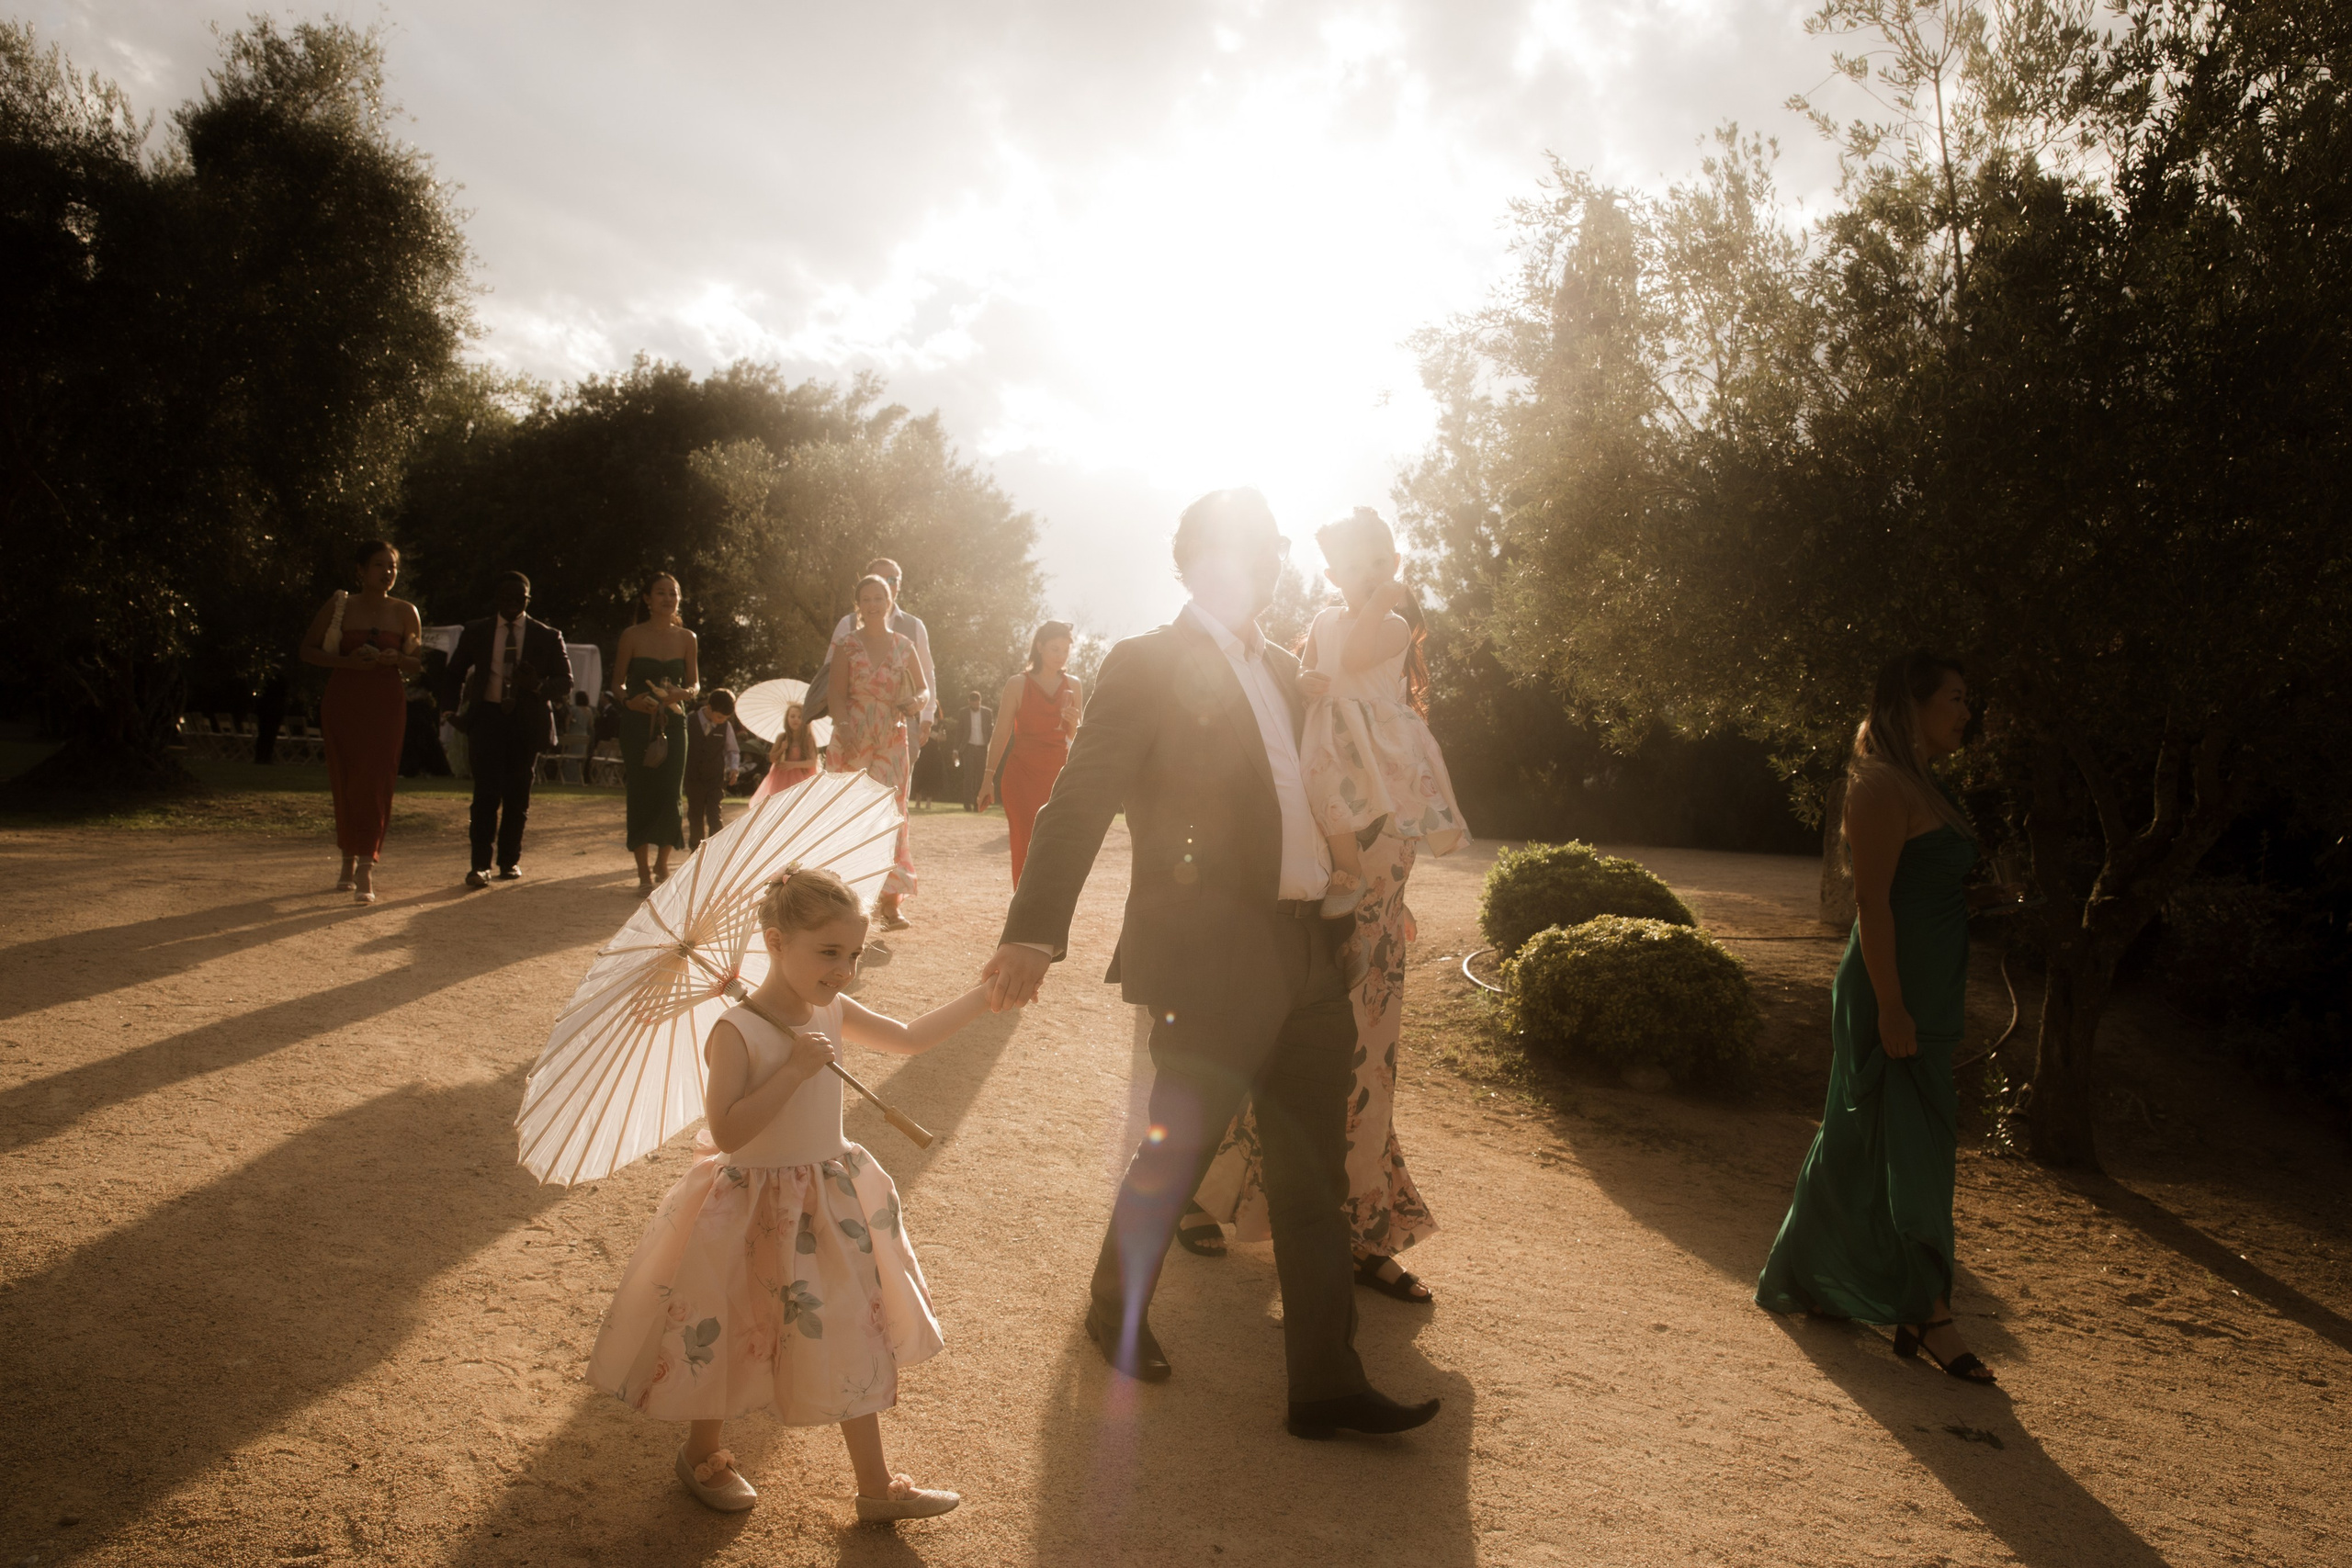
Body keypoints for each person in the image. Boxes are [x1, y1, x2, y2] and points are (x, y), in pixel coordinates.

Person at [978, 488, 1441, 1441]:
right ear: (1189, 565)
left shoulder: (1289, 670)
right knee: (1176, 1152)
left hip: (1310, 943)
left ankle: (1324, 1381)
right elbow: (1081, 797)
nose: (1259, 571)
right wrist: (1033, 928)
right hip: (1207, 952)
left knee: (1312, 1177)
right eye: (1237, 555)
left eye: (1269, 554)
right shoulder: (1145, 664)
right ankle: (1115, 1309)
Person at [586, 864, 988, 1520]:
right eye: (828, 952)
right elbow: (729, 1129)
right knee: (731, 1325)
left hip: (825, 1199)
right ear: (775, 942)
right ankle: (703, 1451)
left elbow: (910, 1038)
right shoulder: (735, 1032)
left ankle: (875, 1484)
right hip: (749, 1208)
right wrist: (797, 1069)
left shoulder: (828, 1007)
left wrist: (984, 997)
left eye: (853, 952)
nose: (844, 968)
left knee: (849, 1323)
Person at [1185, 508, 1466, 1303]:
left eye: (1380, 556)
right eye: (1352, 560)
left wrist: (1378, 600)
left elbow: (1349, 656)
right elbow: (1324, 672)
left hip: (1376, 900)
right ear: (1331, 569)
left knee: (1365, 1059)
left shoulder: (1389, 623)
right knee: (1283, 1044)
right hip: (1318, 878)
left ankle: (1360, 1230)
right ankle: (1213, 1195)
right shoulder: (1319, 635)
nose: (1370, 569)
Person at [1756, 651, 2018, 1383]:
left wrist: (1975, 902)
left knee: (1859, 1134)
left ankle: (1816, 1273)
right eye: (1957, 698)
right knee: (1920, 1144)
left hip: (1930, 986)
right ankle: (1929, 1309)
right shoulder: (1875, 785)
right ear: (1912, 703)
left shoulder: (1921, 783)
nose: (1968, 712)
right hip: (1889, 989)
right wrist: (1893, 1003)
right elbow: (1870, 902)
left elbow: (1916, 889)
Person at [300, 540, 423, 905]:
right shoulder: (340, 606)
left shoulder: (406, 612)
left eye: (393, 566)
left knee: (377, 778)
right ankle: (346, 857)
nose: (387, 572)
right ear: (360, 570)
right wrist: (348, 663)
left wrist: (397, 657)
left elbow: (417, 662)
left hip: (385, 703)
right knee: (347, 776)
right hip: (344, 699)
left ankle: (367, 864)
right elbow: (307, 651)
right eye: (379, 565)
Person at [442, 571, 572, 892]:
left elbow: (565, 683)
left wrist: (537, 685)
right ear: (497, 599)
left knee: (518, 795)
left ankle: (509, 861)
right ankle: (479, 866)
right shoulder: (477, 631)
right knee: (485, 793)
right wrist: (449, 710)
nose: (512, 603)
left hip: (525, 723)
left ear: (528, 601)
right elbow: (454, 672)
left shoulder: (547, 635)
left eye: (520, 598)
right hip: (487, 718)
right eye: (506, 597)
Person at [826, 575, 928, 929]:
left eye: (879, 598)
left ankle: (890, 901)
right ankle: (844, 897)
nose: (872, 604)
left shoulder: (904, 645)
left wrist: (917, 702)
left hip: (890, 736)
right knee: (850, 813)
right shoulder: (846, 645)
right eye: (866, 598)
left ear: (889, 601)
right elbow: (836, 695)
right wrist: (843, 729)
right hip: (852, 734)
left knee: (890, 814)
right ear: (858, 604)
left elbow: (925, 690)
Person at [974, 622, 1081, 887]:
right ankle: (1023, 917)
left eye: (1066, 650)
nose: (1060, 655)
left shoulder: (1074, 685)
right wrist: (988, 777)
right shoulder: (1017, 684)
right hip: (1020, 778)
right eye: (1055, 648)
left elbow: (1076, 741)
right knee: (1024, 847)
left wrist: (1075, 723)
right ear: (1040, 646)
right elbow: (1001, 734)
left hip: (1058, 780)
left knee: (1056, 851)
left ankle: (1048, 914)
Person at [612, 572, 698, 897]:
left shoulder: (688, 637)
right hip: (637, 723)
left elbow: (696, 684)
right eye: (660, 593)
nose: (667, 598)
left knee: (671, 792)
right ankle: (642, 871)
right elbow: (616, 684)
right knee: (640, 792)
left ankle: (663, 861)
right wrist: (628, 701)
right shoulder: (631, 636)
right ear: (647, 599)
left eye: (672, 593)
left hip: (675, 724)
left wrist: (685, 693)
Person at [822, 556, 937, 754]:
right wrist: (842, 724)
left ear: (899, 585)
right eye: (878, 577)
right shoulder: (846, 627)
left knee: (895, 784)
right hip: (852, 727)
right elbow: (830, 678)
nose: (885, 583)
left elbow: (927, 674)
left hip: (900, 724)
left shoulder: (914, 627)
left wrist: (927, 716)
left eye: (892, 579)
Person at [684, 688, 741, 851]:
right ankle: (695, 852)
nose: (721, 721)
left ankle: (717, 852)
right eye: (719, 717)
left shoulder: (726, 727)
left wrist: (734, 768)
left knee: (715, 816)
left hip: (715, 779)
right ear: (709, 708)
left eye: (725, 718)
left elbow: (732, 750)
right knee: (695, 816)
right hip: (693, 779)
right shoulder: (690, 721)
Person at [750, 701, 820, 804]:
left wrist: (793, 765)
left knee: (797, 804)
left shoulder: (808, 739)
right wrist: (782, 749)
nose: (795, 719)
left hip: (801, 777)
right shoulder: (782, 737)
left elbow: (812, 762)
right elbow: (772, 758)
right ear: (787, 719)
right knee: (779, 804)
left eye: (800, 717)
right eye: (792, 716)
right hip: (780, 777)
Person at [956, 690, 993, 810]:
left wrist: (991, 747)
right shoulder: (963, 713)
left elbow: (990, 732)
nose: (975, 705)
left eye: (977, 703)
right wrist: (956, 750)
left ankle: (977, 803)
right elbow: (960, 732)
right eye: (973, 703)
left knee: (981, 777)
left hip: (982, 748)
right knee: (968, 776)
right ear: (969, 702)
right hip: (969, 747)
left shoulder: (987, 713)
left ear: (980, 701)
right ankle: (967, 804)